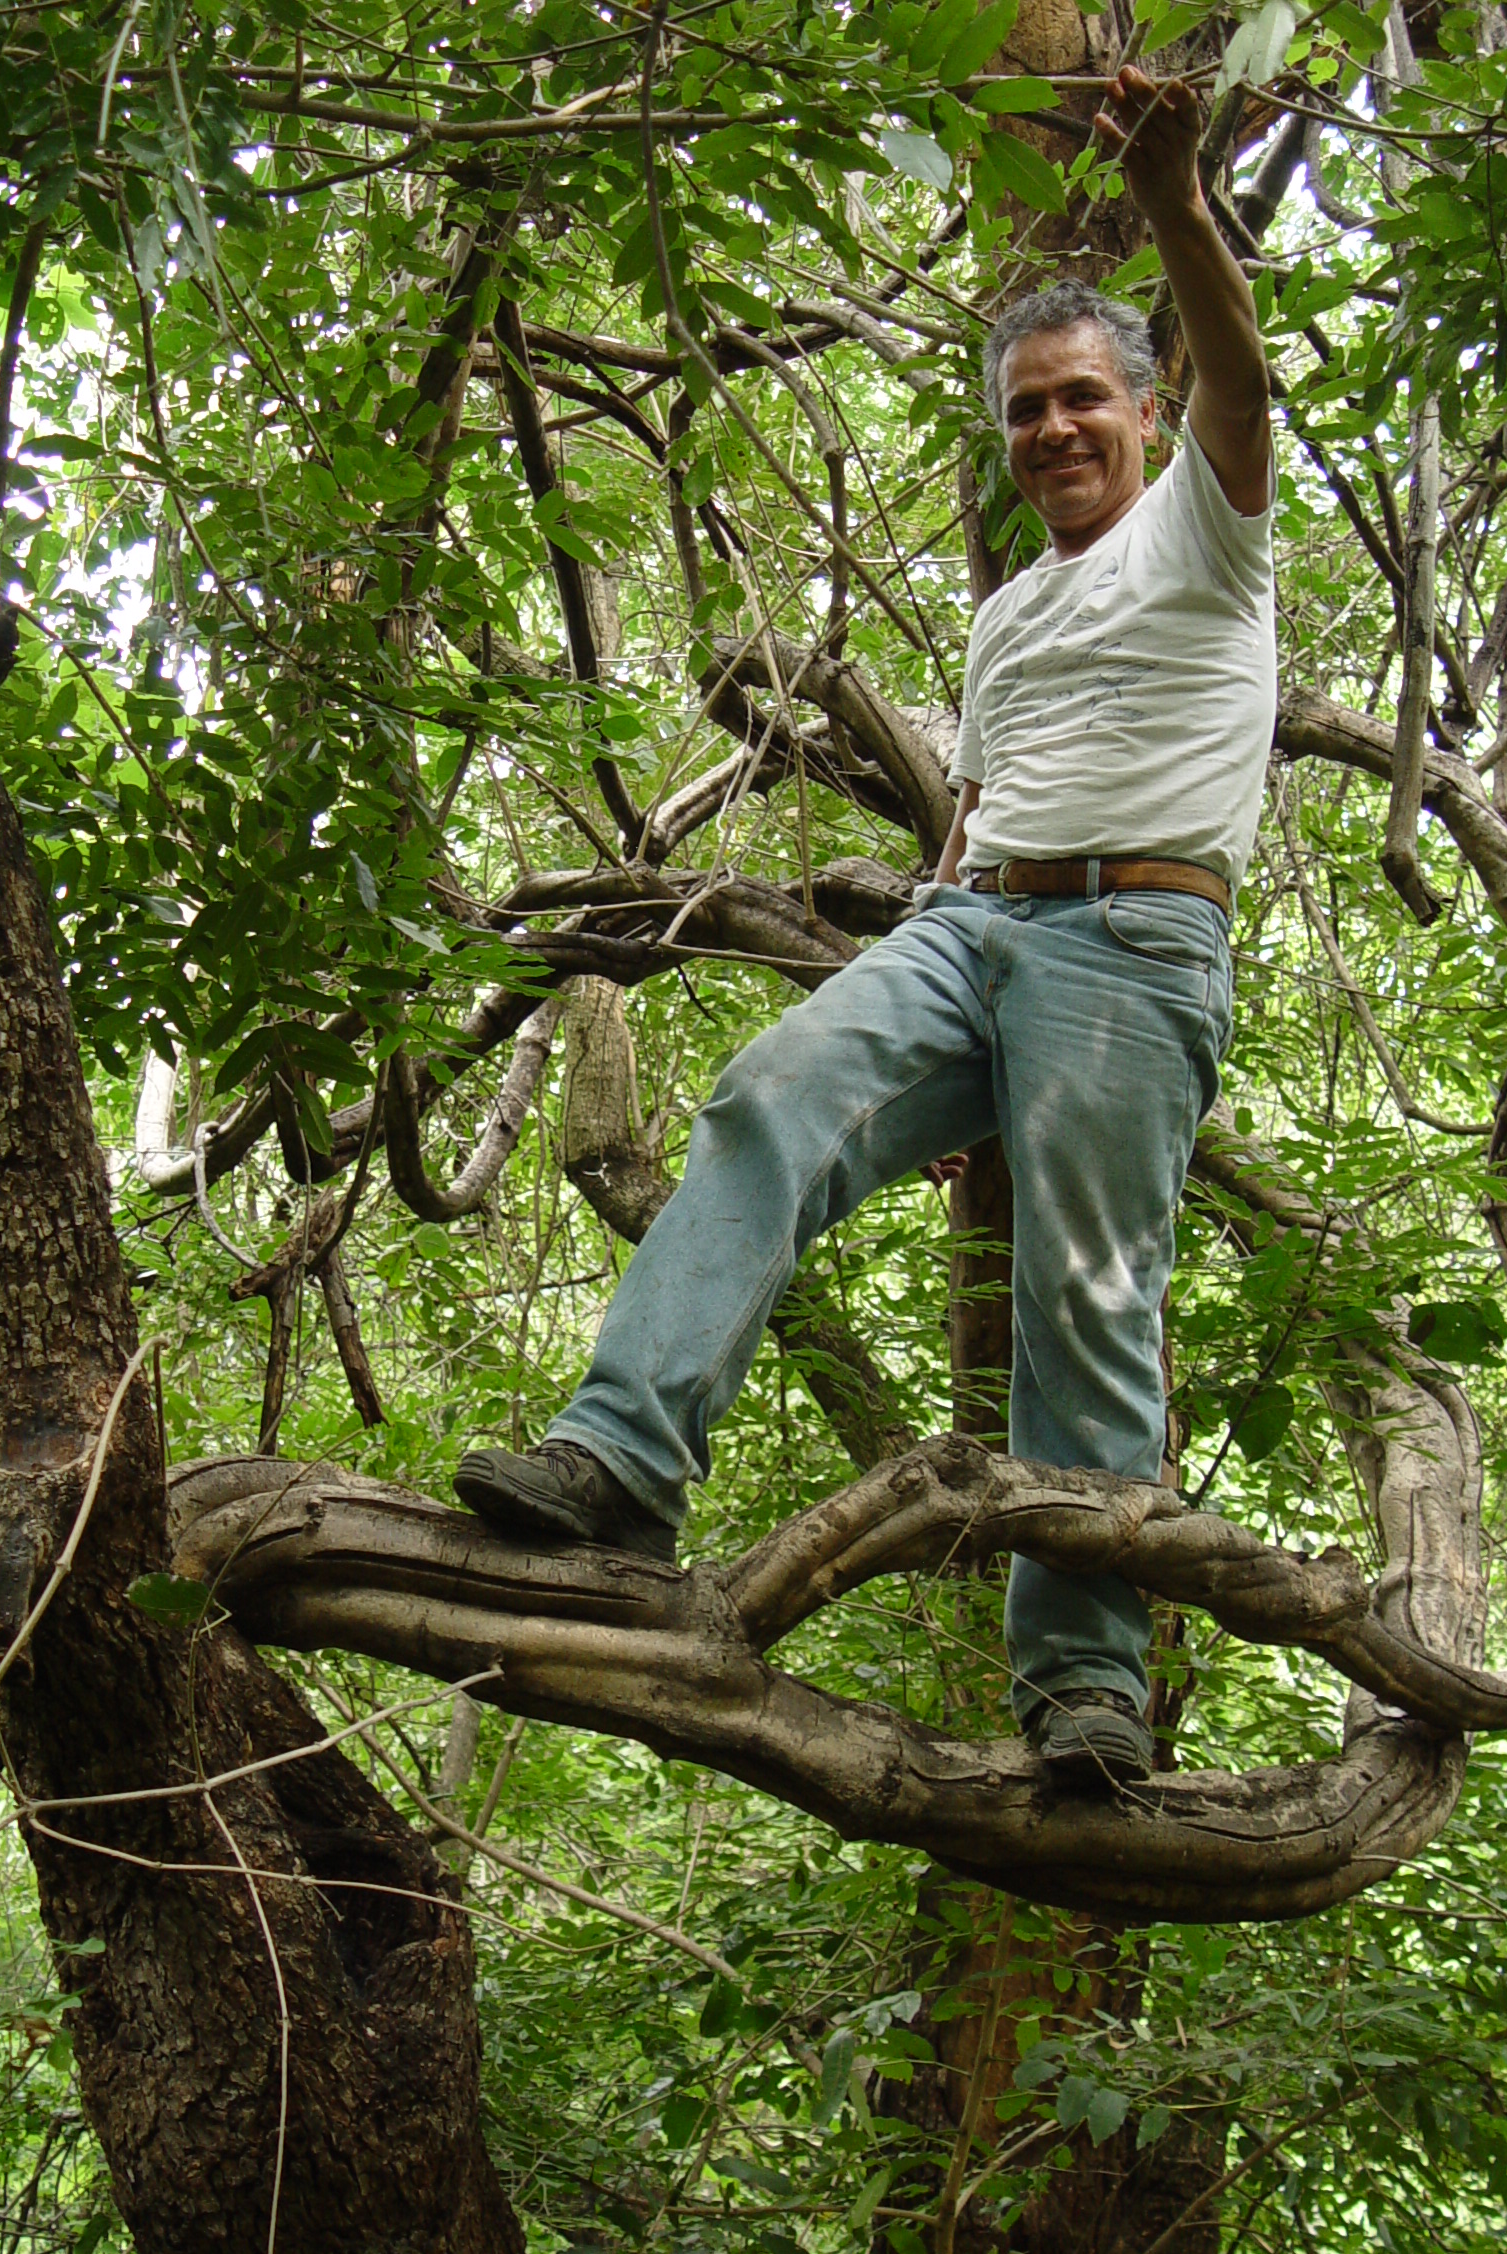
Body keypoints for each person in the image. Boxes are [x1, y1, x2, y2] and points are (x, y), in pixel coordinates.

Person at [455, 68, 1276, 1787]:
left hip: (1136, 950)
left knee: (1088, 1298)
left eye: (1083, 402)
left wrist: (1181, 196)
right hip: (973, 935)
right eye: (1027, 412)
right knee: (771, 1097)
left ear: (1143, 411)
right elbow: (978, 817)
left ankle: (1082, 1685)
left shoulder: (1207, 538)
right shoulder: (1002, 622)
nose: (1054, 430)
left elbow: (1247, 376)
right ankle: (619, 1465)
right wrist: (951, 1054)